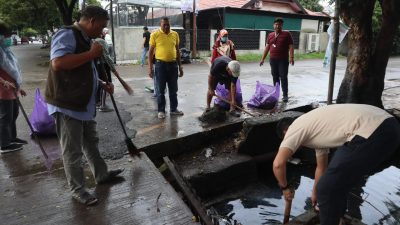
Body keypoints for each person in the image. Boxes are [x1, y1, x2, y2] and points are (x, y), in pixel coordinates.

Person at [45, 6, 123, 206]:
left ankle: (102, 174)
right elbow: (58, 63)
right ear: (91, 21)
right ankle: (78, 190)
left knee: (91, 141)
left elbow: (84, 70)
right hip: (67, 104)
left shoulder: (87, 39)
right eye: (102, 26)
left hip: (82, 104)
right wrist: (91, 54)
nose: (102, 31)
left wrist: (102, 84)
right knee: (73, 151)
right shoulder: (67, 34)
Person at [273, 104, 400, 225]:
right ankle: (339, 219)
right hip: (391, 126)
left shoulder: (295, 127)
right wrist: (315, 192)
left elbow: (278, 164)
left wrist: (285, 188)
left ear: (286, 131)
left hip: (372, 130)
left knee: (328, 188)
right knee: (337, 182)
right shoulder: (314, 130)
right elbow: (321, 167)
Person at [0, 20, 28, 154]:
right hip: (3, 91)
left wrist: (18, 87)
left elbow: (14, 71)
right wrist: (4, 82)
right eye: (5, 35)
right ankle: (4, 144)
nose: (8, 38)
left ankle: (12, 137)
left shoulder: (5, 50)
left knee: (14, 114)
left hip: (12, 90)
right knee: (5, 117)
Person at [148, 17, 184, 119]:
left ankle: (173, 109)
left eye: (168, 24)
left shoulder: (175, 34)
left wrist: (180, 66)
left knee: (173, 89)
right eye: (164, 25)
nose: (166, 26)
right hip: (160, 65)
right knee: (160, 90)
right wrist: (150, 68)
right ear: (160, 24)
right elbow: (150, 53)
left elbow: (177, 51)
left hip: (173, 65)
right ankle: (161, 110)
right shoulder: (155, 34)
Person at [260, 17, 294, 102]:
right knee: (275, 77)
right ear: (273, 25)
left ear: (282, 25)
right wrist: (262, 59)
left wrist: (291, 57)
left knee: (283, 77)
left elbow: (291, 46)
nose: (277, 26)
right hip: (273, 60)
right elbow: (267, 47)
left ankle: (285, 95)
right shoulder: (270, 35)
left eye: (279, 24)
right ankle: (276, 93)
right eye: (276, 24)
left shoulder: (287, 34)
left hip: (283, 60)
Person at [95, 30, 113, 112]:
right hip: (103, 65)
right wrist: (113, 68)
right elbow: (106, 56)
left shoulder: (91, 40)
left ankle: (98, 102)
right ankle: (102, 105)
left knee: (98, 83)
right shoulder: (101, 41)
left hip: (95, 65)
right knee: (105, 83)